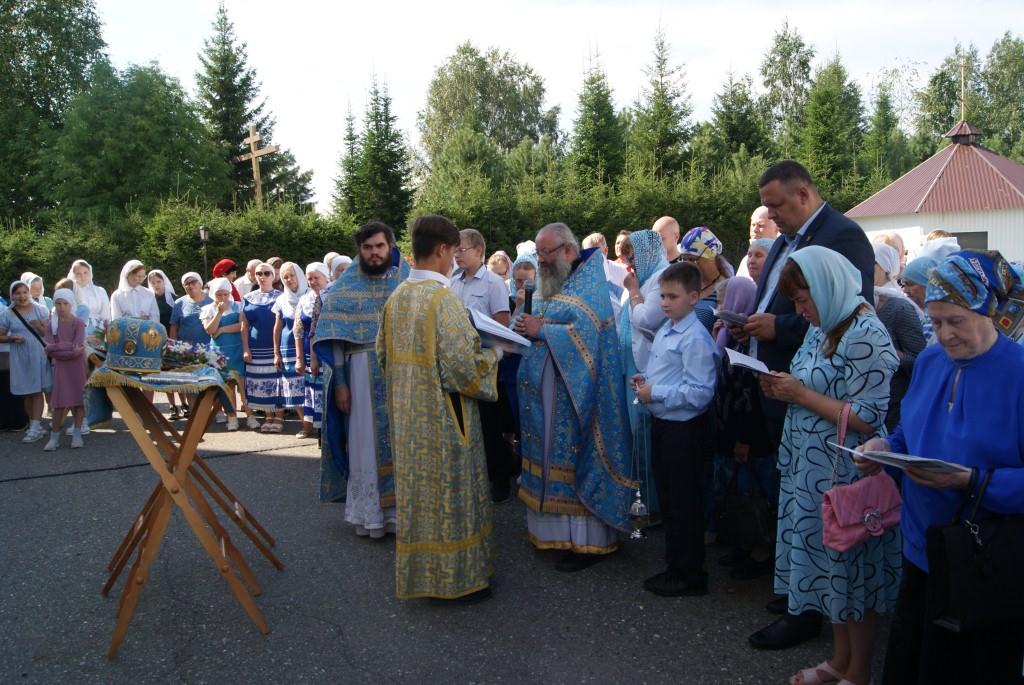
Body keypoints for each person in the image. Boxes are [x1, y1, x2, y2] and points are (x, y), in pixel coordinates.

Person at [855, 250, 1024, 685]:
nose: (944, 335)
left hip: (985, 560)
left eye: (956, 321)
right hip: (923, 548)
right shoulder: (931, 361)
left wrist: (968, 480)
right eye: (936, 320)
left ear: (988, 312)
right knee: (915, 661)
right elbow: (910, 433)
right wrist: (884, 448)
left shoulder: (1018, 374)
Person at [738, 160, 876, 651]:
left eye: (776, 205)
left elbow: (845, 308)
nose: (771, 217)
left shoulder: (844, 235)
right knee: (792, 495)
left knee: (815, 503)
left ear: (803, 193)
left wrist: (778, 328)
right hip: (784, 385)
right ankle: (799, 587)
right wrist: (754, 321)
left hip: (816, 393)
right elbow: (779, 299)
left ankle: (810, 612)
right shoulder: (784, 241)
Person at [757, 247, 899, 685]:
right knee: (831, 573)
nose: (800, 312)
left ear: (828, 288)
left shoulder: (866, 334)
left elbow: (868, 417)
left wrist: (798, 395)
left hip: (846, 477)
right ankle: (839, 661)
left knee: (851, 575)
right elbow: (809, 381)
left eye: (803, 300)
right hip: (812, 471)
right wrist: (780, 388)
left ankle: (858, 673)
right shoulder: (827, 326)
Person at [377, 214, 500, 602]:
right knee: (453, 498)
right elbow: (463, 370)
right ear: (444, 249)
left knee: (419, 499)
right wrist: (495, 354)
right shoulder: (443, 301)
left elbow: (382, 356)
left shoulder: (395, 299)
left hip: (407, 424)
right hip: (448, 422)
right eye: (454, 252)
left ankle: (425, 576)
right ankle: (459, 581)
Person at [513, 223, 635, 572]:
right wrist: (528, 323)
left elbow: (587, 338)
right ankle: (554, 532)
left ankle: (586, 542)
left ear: (568, 250)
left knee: (574, 456)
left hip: (577, 396)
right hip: (551, 391)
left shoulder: (590, 286)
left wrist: (543, 330)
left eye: (546, 253)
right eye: (538, 253)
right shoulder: (559, 280)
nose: (541, 261)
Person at [314, 222, 408, 539]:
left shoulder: (407, 280)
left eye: (379, 246)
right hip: (360, 374)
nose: (374, 253)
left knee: (403, 445)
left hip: (403, 375)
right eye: (367, 248)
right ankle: (373, 517)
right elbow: (336, 341)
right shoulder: (344, 288)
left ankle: (402, 514)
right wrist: (340, 383)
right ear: (359, 250)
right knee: (366, 444)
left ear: (391, 245)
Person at [632, 262, 719, 597]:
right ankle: (675, 565)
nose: (665, 303)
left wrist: (658, 393)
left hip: (685, 431)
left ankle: (689, 573)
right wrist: (646, 381)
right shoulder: (669, 329)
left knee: (684, 502)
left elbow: (700, 393)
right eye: (663, 296)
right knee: (670, 498)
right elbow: (668, 373)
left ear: (694, 297)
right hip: (665, 425)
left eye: (673, 296)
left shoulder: (694, 337)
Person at [712, 276, 777, 581]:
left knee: (754, 494)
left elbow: (748, 397)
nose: (721, 310)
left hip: (749, 436)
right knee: (737, 490)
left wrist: (743, 440)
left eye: (725, 304)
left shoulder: (754, 345)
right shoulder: (731, 338)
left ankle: (759, 551)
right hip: (729, 431)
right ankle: (741, 545)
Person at [451, 228, 514, 502]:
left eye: (461, 249)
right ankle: (472, 476)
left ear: (478, 251)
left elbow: (502, 323)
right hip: (458, 363)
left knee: (490, 423)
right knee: (464, 422)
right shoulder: (452, 282)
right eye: (455, 250)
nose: (456, 255)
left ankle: (499, 477)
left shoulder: (493, 283)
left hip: (486, 362)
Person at [619, 229, 670, 516]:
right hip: (633, 363)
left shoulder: (660, 277)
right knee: (635, 435)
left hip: (646, 365)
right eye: (628, 256)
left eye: (633, 255)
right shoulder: (647, 276)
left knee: (644, 434)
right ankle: (641, 498)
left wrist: (633, 291)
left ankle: (651, 505)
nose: (630, 262)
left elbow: (648, 319)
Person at [872, 244, 926, 431]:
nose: (866, 267)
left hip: (895, 410)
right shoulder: (866, 302)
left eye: (874, 263)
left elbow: (920, 362)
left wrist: (891, 352)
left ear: (886, 267)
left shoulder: (900, 307)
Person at [1, 281, 52, 443]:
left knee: (36, 390)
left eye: (24, 292)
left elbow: (49, 334)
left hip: (37, 353)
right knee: (26, 392)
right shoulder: (7, 314)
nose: (22, 296)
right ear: (12, 295)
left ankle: (35, 427)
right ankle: (33, 424)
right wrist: (11, 338)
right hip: (19, 355)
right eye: (18, 293)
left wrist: (38, 326)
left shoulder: (39, 309)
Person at [42, 289, 87, 451]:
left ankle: (77, 434)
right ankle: (54, 437)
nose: (62, 307)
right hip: (61, 367)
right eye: (58, 303)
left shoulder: (78, 323)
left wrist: (55, 347)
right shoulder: (50, 325)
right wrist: (59, 349)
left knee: (78, 401)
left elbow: (77, 348)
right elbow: (50, 350)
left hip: (77, 366)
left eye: (65, 303)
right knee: (59, 403)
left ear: (71, 304)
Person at [202, 278, 249, 431]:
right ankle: (232, 416)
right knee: (225, 385)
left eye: (225, 294)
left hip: (237, 348)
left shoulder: (238, 305)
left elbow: (242, 326)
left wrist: (222, 329)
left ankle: (250, 415)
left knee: (242, 383)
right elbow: (210, 330)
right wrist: (219, 313)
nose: (222, 298)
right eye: (219, 295)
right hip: (219, 352)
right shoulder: (208, 309)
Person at [240, 262, 283, 431]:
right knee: (261, 383)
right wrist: (245, 348)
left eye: (266, 273)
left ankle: (279, 417)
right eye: (259, 273)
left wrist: (278, 350)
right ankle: (268, 416)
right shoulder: (248, 298)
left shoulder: (281, 297)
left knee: (276, 381)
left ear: (273, 276)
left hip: (273, 347)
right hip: (255, 347)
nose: (262, 276)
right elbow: (244, 325)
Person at [293, 262, 329, 439]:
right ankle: (315, 429)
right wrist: (300, 358)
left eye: (317, 277)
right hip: (310, 352)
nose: (313, 281)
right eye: (310, 279)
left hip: (327, 351)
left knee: (327, 390)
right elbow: (298, 330)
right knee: (313, 392)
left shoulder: (332, 296)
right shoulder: (304, 300)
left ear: (326, 277)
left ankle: (329, 430)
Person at [148, 269, 185, 418]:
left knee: (178, 372)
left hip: (175, 339)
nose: (156, 285)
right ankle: (172, 405)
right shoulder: (149, 300)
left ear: (164, 281)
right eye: (153, 282)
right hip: (158, 340)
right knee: (165, 373)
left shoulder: (175, 299)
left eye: (159, 281)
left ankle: (184, 403)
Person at [679, 226, 730, 332]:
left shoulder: (726, 288)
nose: (687, 265)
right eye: (684, 259)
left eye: (692, 259)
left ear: (710, 256)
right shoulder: (685, 285)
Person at [68, 259, 111, 336]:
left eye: (85, 273)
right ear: (73, 275)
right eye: (78, 274)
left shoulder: (100, 291)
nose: (83, 276)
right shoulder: (70, 293)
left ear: (90, 272)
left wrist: (102, 333)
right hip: (78, 331)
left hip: (99, 330)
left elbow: (106, 316)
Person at [170, 272, 213, 346]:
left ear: (200, 283)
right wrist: (172, 346)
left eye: (193, 282)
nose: (190, 286)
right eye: (187, 284)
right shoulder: (179, 303)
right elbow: (174, 326)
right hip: (186, 351)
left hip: (208, 349)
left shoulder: (211, 302)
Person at [738, 207, 781, 278]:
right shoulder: (746, 261)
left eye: (761, 225)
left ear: (776, 229)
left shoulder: (783, 259)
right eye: (753, 225)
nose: (755, 230)